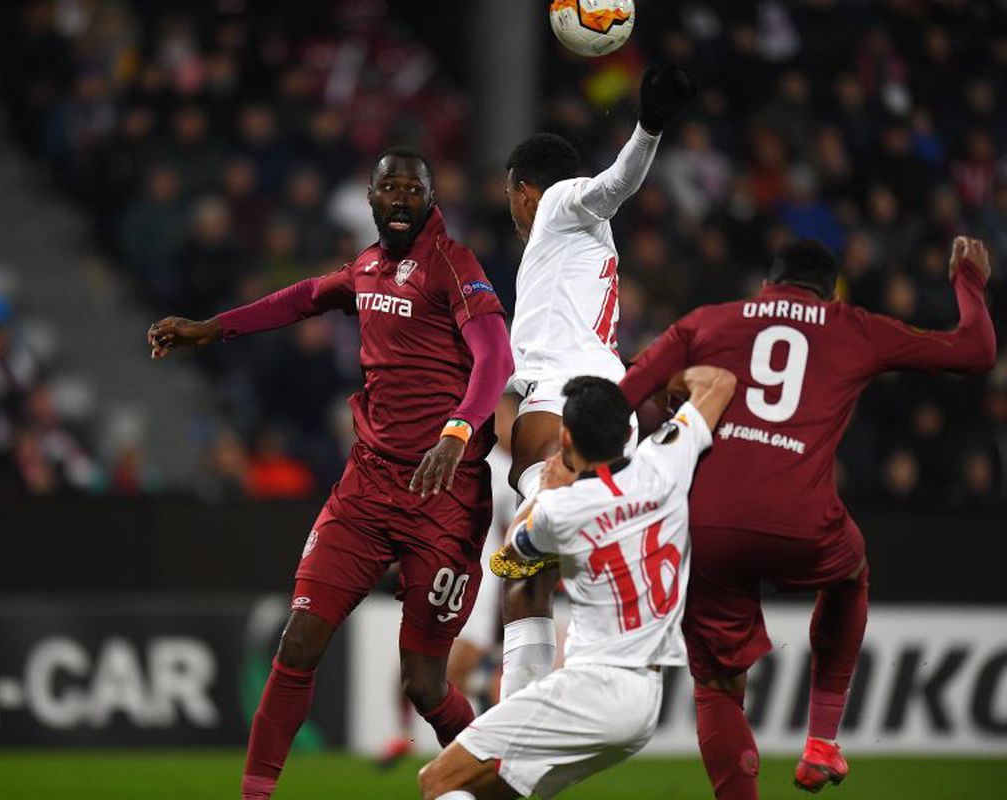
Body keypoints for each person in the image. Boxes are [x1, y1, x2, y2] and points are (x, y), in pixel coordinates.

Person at [147, 147, 515, 800]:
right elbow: (301, 299)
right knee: (298, 639)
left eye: (413, 189)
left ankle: (499, 790)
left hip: (445, 498)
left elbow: (495, 357)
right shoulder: (367, 268)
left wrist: (457, 432)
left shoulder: (453, 267)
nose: (400, 199)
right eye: (389, 188)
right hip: (366, 491)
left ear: (429, 201)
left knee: (426, 684)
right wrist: (212, 329)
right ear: (370, 200)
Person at [617, 237, 997, 798]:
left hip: (708, 522)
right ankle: (821, 740)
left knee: (717, 686)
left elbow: (620, 398)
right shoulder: (852, 326)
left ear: (767, 284)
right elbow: (975, 351)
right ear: (828, 291)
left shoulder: (707, 322)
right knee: (851, 572)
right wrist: (968, 278)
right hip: (802, 520)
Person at [418, 368, 737, 800]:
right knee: (497, 793)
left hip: (594, 687)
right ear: (627, 430)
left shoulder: (561, 509)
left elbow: (512, 556)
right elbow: (719, 383)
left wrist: (542, 491)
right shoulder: (666, 464)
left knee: (437, 781)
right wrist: (660, 378)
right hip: (646, 698)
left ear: (565, 441)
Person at [499, 64, 697, 699]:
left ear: (522, 189)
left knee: (526, 566)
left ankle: (543, 513)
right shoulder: (581, 248)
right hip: (612, 404)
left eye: (510, 196)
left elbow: (613, 185)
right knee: (567, 567)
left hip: (561, 398)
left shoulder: (559, 205)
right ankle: (593, 681)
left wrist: (649, 128)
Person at [379, 394, 517, 768]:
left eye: (509, 412)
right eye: (500, 412)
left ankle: (465, 757)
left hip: (482, 579)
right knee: (411, 667)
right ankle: (403, 735)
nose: (504, 420)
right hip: (435, 571)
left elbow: (516, 530)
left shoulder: (509, 468)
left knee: (454, 669)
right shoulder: (452, 454)